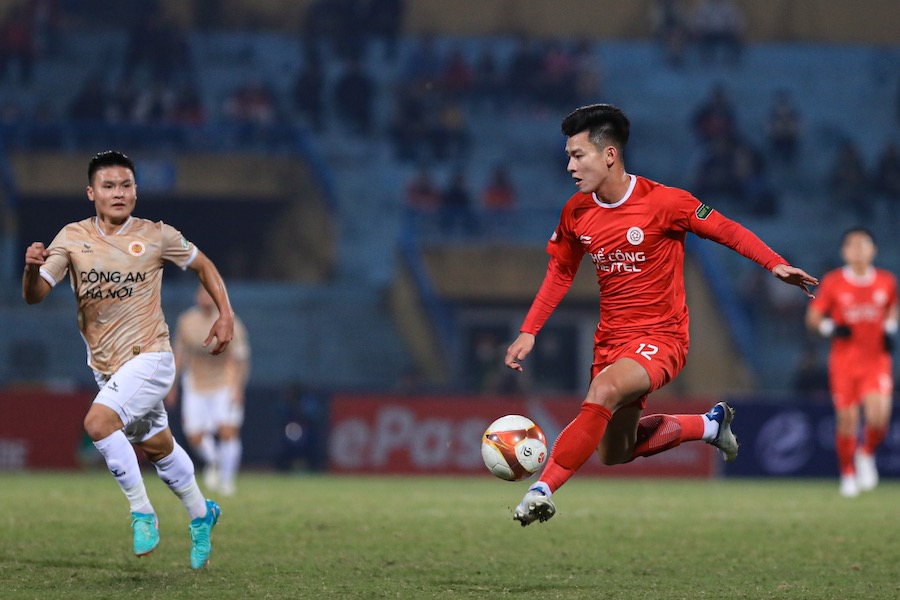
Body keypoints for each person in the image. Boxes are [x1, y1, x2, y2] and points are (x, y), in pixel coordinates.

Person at [504, 104, 817, 526]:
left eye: (577, 155)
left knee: (603, 390)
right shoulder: (575, 212)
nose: (570, 167)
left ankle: (541, 490)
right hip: (611, 342)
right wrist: (529, 330)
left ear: (609, 155)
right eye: (568, 157)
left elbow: (726, 229)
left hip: (662, 338)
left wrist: (774, 263)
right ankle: (709, 426)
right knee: (615, 452)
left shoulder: (665, 202)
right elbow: (561, 271)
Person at [22, 151, 228, 568]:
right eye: (109, 186)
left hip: (151, 355)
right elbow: (35, 295)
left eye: (126, 185)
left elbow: (204, 265)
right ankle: (201, 513)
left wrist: (226, 314)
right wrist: (30, 270)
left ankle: (143, 513)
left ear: (135, 190)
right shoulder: (72, 237)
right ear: (91, 192)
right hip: (107, 367)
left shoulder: (157, 235)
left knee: (98, 423)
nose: (118, 193)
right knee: (157, 446)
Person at [805, 228, 897, 497]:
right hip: (844, 364)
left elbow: (892, 308)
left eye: (862, 244)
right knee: (848, 421)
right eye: (851, 245)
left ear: (873, 250)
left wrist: (890, 329)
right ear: (844, 252)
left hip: (876, 361)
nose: (857, 249)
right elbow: (813, 318)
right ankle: (847, 473)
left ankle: (865, 453)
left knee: (879, 418)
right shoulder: (833, 282)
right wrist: (830, 328)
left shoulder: (886, 281)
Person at [167, 285, 250, 497]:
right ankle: (214, 460)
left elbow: (241, 358)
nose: (205, 297)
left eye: (209, 293)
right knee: (194, 436)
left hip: (224, 383)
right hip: (196, 383)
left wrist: (238, 387)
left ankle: (227, 482)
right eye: (202, 293)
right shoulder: (186, 321)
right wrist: (172, 385)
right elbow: (179, 355)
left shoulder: (230, 321)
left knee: (228, 431)